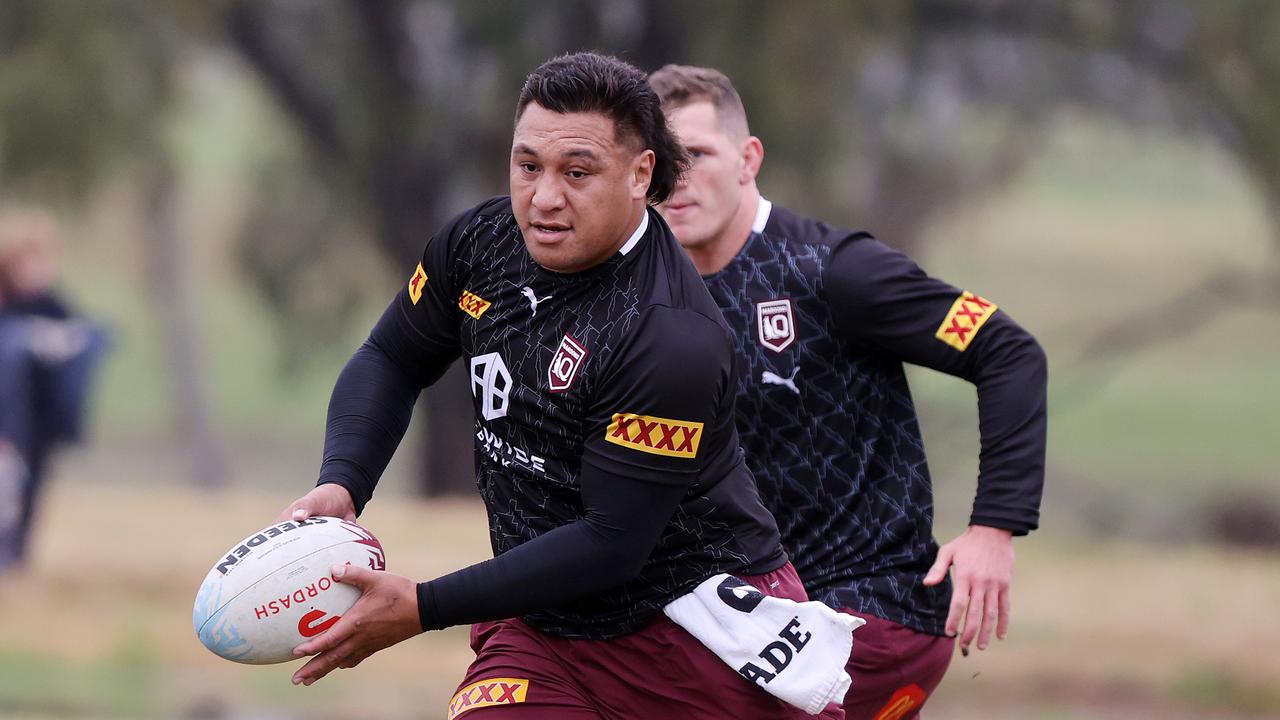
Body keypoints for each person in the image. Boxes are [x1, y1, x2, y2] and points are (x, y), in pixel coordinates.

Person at [277, 52, 843, 720]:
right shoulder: (481, 242)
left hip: (693, 637)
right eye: (528, 166)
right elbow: (392, 356)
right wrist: (344, 479)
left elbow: (611, 543)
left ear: (641, 173)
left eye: (577, 172)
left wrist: (423, 607)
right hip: (544, 630)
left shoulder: (669, 335)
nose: (544, 197)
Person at [649, 64, 1048, 720]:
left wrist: (994, 527)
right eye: (664, 162)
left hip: (877, 610)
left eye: (699, 154)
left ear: (749, 159)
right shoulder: (648, 295)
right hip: (751, 618)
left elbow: (1008, 350)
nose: (679, 180)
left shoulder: (835, 272)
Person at [0, 207, 109, 573]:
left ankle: (17, 557)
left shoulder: (53, 304)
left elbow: (81, 338)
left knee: (31, 488)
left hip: (39, 421)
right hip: (8, 421)